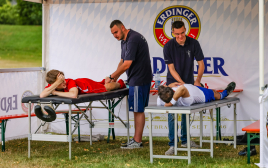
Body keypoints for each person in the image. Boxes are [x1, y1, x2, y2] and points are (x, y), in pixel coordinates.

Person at [106, 20, 152, 149]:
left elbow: (127, 64)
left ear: (123, 28)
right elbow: (122, 61)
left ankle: (137, 141)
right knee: (137, 110)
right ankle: (136, 140)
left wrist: (111, 76)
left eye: (116, 32)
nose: (115, 35)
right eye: (112, 33)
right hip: (135, 79)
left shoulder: (133, 39)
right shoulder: (124, 40)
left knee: (138, 110)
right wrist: (115, 78)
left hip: (139, 79)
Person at [157, 82, 236, 155]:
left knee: (217, 95)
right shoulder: (161, 99)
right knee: (171, 114)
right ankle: (173, 145)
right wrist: (169, 89)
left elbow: (182, 88)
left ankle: (225, 93)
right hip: (189, 89)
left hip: (200, 93)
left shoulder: (187, 99)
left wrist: (170, 102)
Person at [163, 20, 205, 154]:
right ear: (172, 33)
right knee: (171, 112)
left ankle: (186, 140)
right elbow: (171, 68)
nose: (180, 37)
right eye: (177, 34)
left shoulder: (194, 43)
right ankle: (172, 144)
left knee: (186, 112)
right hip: (173, 82)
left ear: (185, 30)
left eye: (182, 33)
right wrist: (181, 83)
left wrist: (198, 80)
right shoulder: (168, 46)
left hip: (189, 82)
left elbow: (201, 64)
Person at [40, 69, 126, 98]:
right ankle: (105, 80)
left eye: (63, 79)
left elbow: (73, 95)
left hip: (86, 85)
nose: (64, 81)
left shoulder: (69, 81)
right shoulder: (52, 86)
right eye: (61, 81)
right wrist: (57, 83)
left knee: (107, 87)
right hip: (83, 82)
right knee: (102, 84)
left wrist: (55, 92)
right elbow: (42, 95)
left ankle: (122, 83)